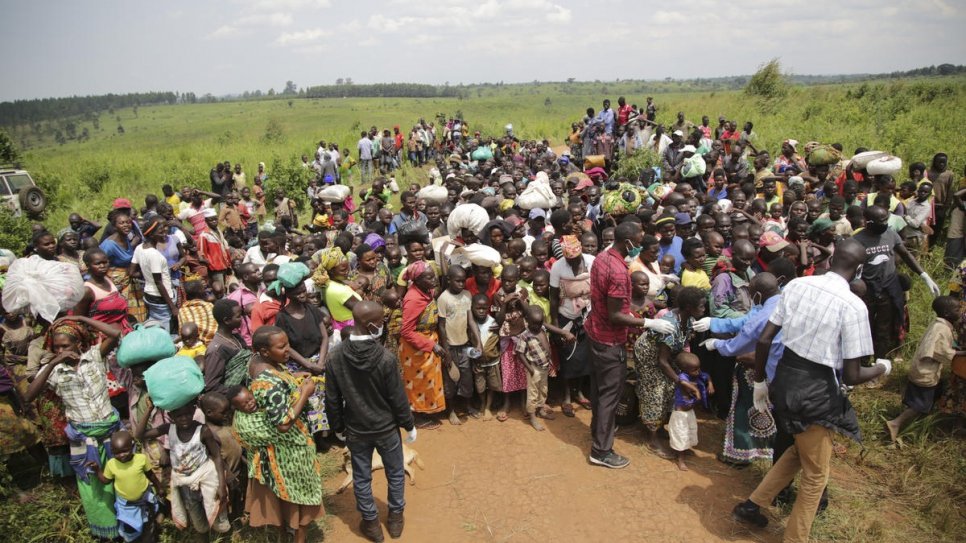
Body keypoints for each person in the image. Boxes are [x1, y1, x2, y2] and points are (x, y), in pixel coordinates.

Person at [732, 238, 891, 543]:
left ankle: (751, 506)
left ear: (830, 261)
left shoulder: (796, 287)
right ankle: (795, 538)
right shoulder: (854, 306)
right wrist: (884, 368)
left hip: (784, 382)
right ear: (858, 271)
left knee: (797, 450)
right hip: (815, 392)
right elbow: (853, 374)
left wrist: (762, 383)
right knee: (816, 476)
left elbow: (764, 341)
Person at [24, 316, 125, 540]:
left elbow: (115, 334)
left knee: (122, 478)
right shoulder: (55, 372)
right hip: (83, 438)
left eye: (65, 346)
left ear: (79, 344)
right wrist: (51, 363)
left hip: (111, 433)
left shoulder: (94, 357)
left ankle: (130, 524)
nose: (61, 350)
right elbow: (29, 395)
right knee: (93, 487)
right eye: (57, 347)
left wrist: (80, 318)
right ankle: (107, 532)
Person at [585, 221, 675, 469]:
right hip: (609, 340)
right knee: (609, 396)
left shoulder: (602, 258)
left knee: (598, 390)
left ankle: (597, 431)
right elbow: (616, 315)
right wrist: (648, 323)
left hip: (594, 333)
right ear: (628, 243)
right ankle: (601, 451)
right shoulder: (617, 271)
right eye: (638, 240)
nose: (640, 244)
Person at [325, 301, 416, 542]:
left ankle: (372, 524)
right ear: (371, 324)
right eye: (382, 321)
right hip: (386, 429)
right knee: (395, 473)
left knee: (361, 477)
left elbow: (332, 398)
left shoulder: (335, 357)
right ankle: (395, 518)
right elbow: (397, 397)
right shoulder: (385, 358)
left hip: (356, 429)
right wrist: (408, 424)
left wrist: (339, 428)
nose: (383, 324)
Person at [233, 326, 324, 543]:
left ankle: (287, 534)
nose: (288, 350)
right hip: (289, 450)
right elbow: (283, 424)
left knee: (286, 501)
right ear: (264, 351)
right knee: (300, 495)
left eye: (287, 344)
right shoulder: (267, 383)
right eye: (282, 346)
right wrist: (304, 393)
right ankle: (298, 537)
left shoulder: (259, 364)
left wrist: (291, 377)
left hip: (279, 450)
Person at [854, 206, 941, 358]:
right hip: (867, 290)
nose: (884, 224)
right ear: (868, 222)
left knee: (884, 327)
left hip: (888, 288)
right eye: (880, 221)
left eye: (886, 220)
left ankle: (880, 361)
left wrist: (924, 275)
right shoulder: (856, 241)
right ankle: (862, 361)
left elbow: (905, 254)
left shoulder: (890, 234)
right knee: (864, 327)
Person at [633, 286, 707, 459]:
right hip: (649, 356)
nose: (704, 309)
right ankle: (652, 437)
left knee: (669, 388)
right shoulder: (671, 325)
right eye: (701, 306)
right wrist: (681, 381)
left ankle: (659, 427)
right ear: (689, 306)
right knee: (656, 391)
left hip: (665, 356)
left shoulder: (687, 319)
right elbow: (662, 361)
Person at [885, 295, 961, 442]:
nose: (960, 312)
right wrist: (961, 353)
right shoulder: (942, 328)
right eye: (957, 309)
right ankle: (896, 423)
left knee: (931, 396)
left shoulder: (939, 325)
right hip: (926, 372)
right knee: (920, 405)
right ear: (947, 313)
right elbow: (941, 351)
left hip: (922, 369)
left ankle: (920, 422)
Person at [87, 430, 162, 543]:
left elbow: (150, 475)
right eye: (117, 453)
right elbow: (106, 480)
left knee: (148, 527)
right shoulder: (111, 464)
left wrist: (159, 487)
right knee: (130, 531)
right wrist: (97, 470)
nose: (121, 455)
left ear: (132, 446)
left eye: (125, 451)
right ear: (112, 451)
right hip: (127, 506)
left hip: (144, 501)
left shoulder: (141, 459)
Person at [398, 261, 448, 429]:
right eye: (429, 277)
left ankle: (426, 410)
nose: (434, 279)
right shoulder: (413, 299)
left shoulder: (426, 291)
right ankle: (416, 416)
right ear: (417, 280)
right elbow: (406, 331)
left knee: (427, 380)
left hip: (427, 341)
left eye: (433, 275)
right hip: (416, 348)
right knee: (416, 382)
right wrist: (431, 345)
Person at [436, 266, 482, 425]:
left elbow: (471, 321)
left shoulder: (467, 295)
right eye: (458, 281)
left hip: (464, 345)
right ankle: (452, 411)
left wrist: (478, 342)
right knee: (450, 380)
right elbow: (441, 326)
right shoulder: (443, 298)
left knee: (466, 377)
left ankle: (468, 406)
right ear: (449, 280)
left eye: (463, 281)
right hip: (451, 346)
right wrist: (446, 350)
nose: (462, 284)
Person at [668, 352, 711, 471]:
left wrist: (710, 384)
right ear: (684, 369)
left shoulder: (694, 373)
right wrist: (696, 390)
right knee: (681, 434)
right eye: (695, 370)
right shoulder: (683, 377)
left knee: (690, 431)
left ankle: (685, 449)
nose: (698, 372)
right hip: (680, 414)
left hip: (690, 411)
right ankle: (680, 459)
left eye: (698, 368)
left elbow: (706, 375)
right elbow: (682, 383)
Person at [517, 306, 554, 431]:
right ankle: (532, 417)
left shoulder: (542, 328)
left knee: (543, 390)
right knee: (532, 393)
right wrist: (530, 368)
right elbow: (519, 353)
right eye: (534, 324)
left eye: (539, 323)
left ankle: (540, 410)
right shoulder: (525, 335)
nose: (537, 326)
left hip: (545, 367)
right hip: (534, 368)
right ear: (527, 320)